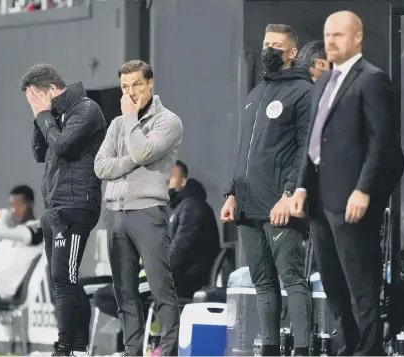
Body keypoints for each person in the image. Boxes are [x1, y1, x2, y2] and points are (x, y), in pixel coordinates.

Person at [290, 11, 404, 356]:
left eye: (338, 35)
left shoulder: (372, 80)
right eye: (327, 35)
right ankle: (351, 346)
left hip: (353, 199)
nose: (330, 41)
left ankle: (369, 351)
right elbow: (312, 140)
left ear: (357, 38)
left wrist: (365, 189)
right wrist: (299, 187)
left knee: (361, 286)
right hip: (321, 199)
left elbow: (381, 143)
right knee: (333, 284)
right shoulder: (324, 81)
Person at [220, 24, 313, 356]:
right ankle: (270, 350)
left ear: (291, 54)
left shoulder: (303, 92)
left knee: (293, 280)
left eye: (276, 45)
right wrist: (232, 193)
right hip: (248, 203)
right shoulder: (256, 94)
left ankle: (302, 350)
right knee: (262, 284)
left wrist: (289, 194)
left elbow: (306, 150)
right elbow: (244, 150)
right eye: (265, 43)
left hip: (279, 203)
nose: (268, 50)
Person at [94, 60, 183, 356]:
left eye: (136, 85)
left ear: (150, 83)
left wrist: (131, 120)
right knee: (125, 293)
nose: (131, 93)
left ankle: (168, 352)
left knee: (161, 290)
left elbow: (143, 150)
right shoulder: (117, 123)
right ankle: (132, 352)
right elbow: (100, 166)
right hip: (115, 213)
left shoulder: (168, 121)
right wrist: (131, 160)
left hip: (147, 211)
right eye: (124, 87)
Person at [21, 64, 106, 356]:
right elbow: (38, 152)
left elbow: (63, 145)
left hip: (75, 206)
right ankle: (78, 346)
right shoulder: (55, 116)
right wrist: (40, 116)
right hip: (55, 207)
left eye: (35, 98)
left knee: (64, 280)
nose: (34, 106)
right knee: (62, 279)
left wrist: (44, 114)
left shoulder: (86, 109)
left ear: (52, 89)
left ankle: (64, 348)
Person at [168, 161, 220, 297]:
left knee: (121, 292)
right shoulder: (179, 207)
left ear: (183, 181)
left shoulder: (192, 206)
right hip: (174, 276)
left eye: (171, 175)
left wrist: (157, 270)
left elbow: (179, 250)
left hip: (186, 279)